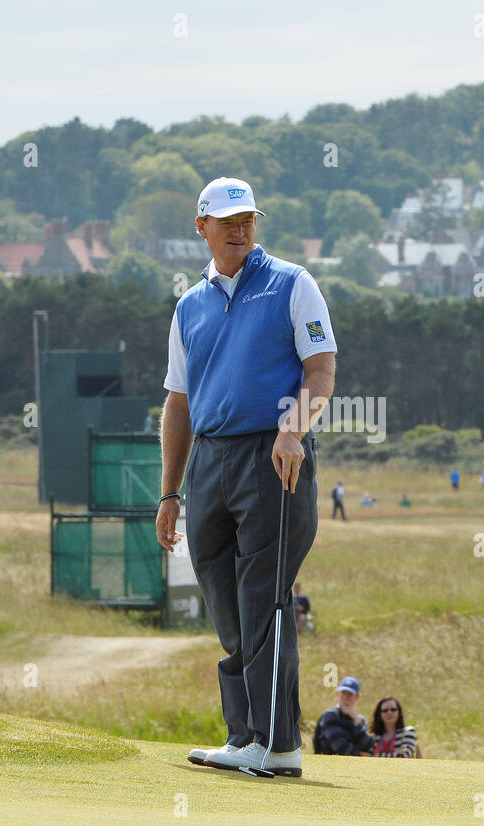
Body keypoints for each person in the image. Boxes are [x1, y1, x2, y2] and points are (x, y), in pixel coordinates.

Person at [162, 177, 337, 778]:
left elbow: (321, 371)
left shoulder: (292, 283)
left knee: (264, 596)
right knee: (224, 598)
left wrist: (293, 428)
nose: (239, 230)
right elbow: (178, 403)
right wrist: (169, 491)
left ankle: (269, 740)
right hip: (209, 461)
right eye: (227, 221)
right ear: (201, 226)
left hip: (274, 456)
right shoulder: (190, 306)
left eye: (248, 220)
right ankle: (259, 738)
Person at [313, 677, 377, 756]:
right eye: (343, 693)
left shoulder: (360, 720)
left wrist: (356, 721)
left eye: (350, 694)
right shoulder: (330, 715)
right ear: (337, 694)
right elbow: (339, 747)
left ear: (357, 697)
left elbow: (368, 746)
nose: (346, 698)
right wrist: (361, 755)